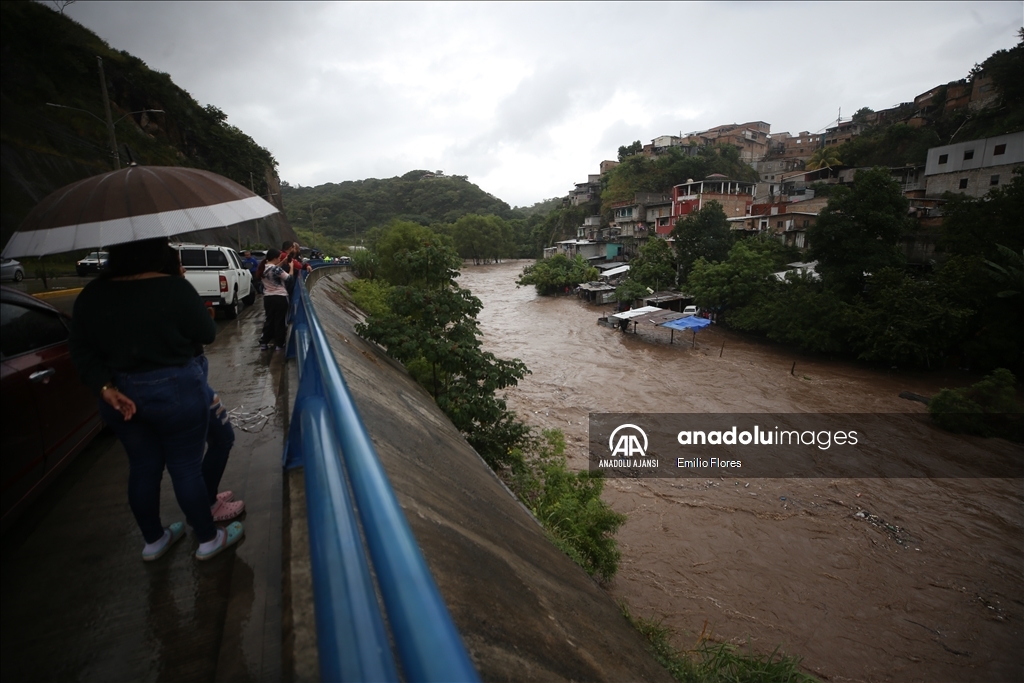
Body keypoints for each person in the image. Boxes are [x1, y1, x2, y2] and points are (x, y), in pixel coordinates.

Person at [69, 237, 244, 562]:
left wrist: (105, 388)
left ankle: (154, 541)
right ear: (156, 253)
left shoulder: (92, 294)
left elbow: (80, 348)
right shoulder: (173, 289)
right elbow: (206, 333)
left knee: (143, 467)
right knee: (185, 468)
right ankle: (207, 540)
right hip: (175, 389)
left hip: (120, 393)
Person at [259, 248, 291, 351]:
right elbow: (288, 278)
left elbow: (273, 270)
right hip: (280, 297)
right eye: (279, 258)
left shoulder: (263, 268)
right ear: (274, 258)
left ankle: (264, 342)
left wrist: (282, 262)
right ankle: (279, 344)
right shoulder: (276, 269)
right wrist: (292, 267)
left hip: (268, 297)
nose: (279, 259)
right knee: (280, 321)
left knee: (269, 320)